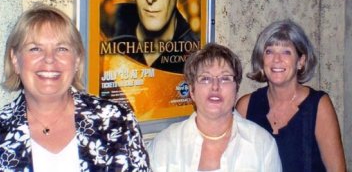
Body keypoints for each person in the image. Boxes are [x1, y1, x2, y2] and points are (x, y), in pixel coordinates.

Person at [0, 4, 150, 171]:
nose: (49, 60)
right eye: (35, 49)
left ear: (77, 60)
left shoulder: (117, 123)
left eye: (62, 49)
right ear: (15, 59)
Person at [147, 43, 282, 171]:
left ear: (236, 90)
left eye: (225, 78)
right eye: (205, 78)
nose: (215, 86)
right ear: (192, 91)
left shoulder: (262, 144)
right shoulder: (163, 145)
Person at [236, 19, 346, 172]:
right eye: (269, 51)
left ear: (300, 61)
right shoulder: (245, 107)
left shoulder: (318, 106)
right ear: (262, 60)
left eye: (286, 52)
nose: (277, 59)